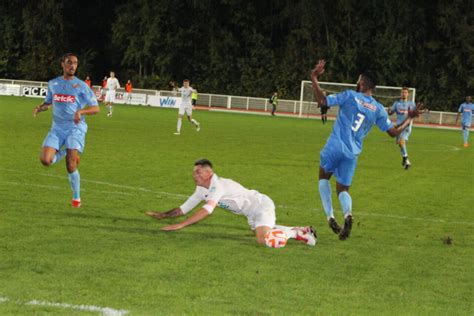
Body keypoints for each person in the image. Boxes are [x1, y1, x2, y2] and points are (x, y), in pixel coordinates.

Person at [310, 59, 423, 240]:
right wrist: (409, 119)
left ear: (362, 83)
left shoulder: (349, 95)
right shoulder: (378, 109)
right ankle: (348, 215)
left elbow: (323, 100)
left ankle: (330, 217)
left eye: (358, 80)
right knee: (343, 190)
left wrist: (314, 77)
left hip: (335, 145)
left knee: (323, 177)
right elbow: (394, 132)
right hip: (352, 153)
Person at [145, 159, 317, 246]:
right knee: (260, 232)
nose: (194, 175)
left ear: (208, 173)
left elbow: (207, 211)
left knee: (263, 240)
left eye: (198, 172)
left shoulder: (217, 186)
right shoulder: (201, 190)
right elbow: (183, 209)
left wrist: (180, 226)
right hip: (251, 213)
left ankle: (297, 235)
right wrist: (161, 215)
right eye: (194, 172)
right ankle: (300, 229)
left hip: (261, 205)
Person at [33, 53, 99, 208]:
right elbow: (49, 102)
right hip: (57, 128)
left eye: (75, 63)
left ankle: (76, 197)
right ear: (62, 64)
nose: (72, 66)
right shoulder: (53, 83)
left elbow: (95, 108)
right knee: (45, 160)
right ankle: (66, 152)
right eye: (69, 62)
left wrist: (80, 112)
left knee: (70, 165)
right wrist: (41, 108)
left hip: (75, 127)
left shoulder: (82, 85)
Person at [387, 87, 417, 169]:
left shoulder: (411, 104)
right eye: (402, 92)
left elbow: (415, 115)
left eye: (405, 92)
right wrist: (389, 111)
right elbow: (390, 113)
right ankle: (406, 161)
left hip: (407, 127)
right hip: (398, 127)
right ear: (401, 93)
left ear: (408, 94)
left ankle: (405, 158)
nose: (404, 94)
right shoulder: (397, 103)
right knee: (401, 144)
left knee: (401, 141)